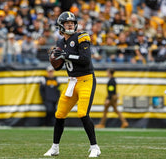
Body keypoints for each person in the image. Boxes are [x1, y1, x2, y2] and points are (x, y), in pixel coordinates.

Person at [44, 11, 101, 158]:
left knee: (82, 113)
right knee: (60, 114)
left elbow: (85, 59)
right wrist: (54, 59)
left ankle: (95, 147)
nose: (70, 25)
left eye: (72, 23)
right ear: (61, 26)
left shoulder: (82, 36)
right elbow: (58, 67)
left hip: (86, 80)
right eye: (67, 23)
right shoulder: (60, 42)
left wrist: (66, 55)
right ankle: (55, 148)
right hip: (72, 82)